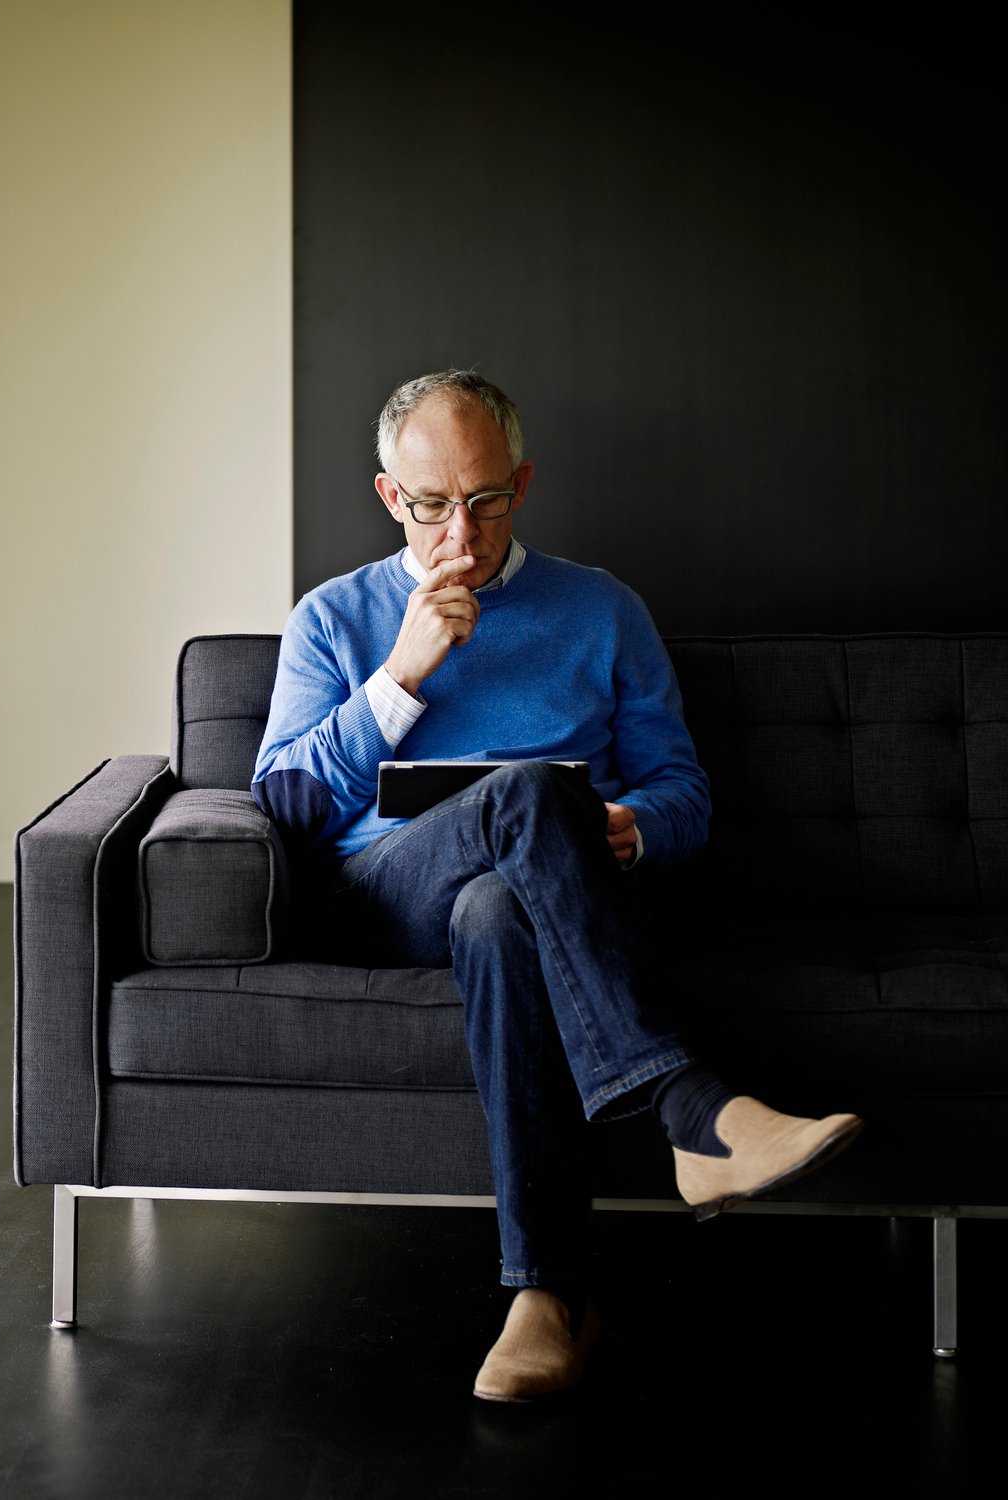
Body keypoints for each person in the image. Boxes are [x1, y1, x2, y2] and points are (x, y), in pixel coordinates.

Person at [250, 369, 862, 1403]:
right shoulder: (333, 619)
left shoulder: (600, 608)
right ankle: (692, 1112)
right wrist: (397, 677)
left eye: (485, 499)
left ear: (520, 485)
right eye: (433, 503)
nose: (463, 529)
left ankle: (546, 1298)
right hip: (387, 893)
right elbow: (286, 813)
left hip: (540, 900)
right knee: (528, 792)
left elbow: (681, 792)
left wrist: (629, 830)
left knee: (500, 906)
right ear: (388, 496)